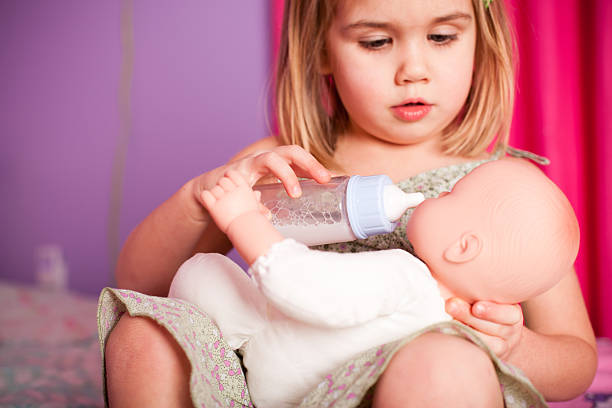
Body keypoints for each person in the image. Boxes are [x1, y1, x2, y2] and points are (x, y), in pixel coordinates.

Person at [99, 0, 597, 407]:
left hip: (402, 390)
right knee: (142, 337)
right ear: (321, 50)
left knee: (446, 364)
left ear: (480, 41)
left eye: (442, 37)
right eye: (376, 41)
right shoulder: (280, 167)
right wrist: (201, 198)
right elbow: (141, 282)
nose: (414, 70)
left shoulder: (501, 189)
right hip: (270, 382)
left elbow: (576, 360)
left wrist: (515, 346)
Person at [167, 158, 580, 408]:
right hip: (290, 369)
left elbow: (302, 286)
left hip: (289, 384)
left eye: (449, 194)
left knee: (204, 274)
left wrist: (243, 219)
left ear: (462, 247)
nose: (431, 195)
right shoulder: (448, 322)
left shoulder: (407, 276)